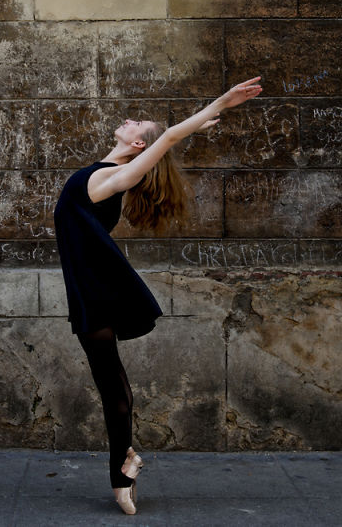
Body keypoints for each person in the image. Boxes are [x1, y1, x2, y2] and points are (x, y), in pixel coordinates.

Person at [53, 76, 263, 515]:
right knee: (112, 383)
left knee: (112, 386)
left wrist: (219, 102)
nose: (129, 121)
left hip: (96, 293)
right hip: (91, 290)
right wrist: (189, 129)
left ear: (136, 146)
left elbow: (166, 137)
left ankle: (122, 473)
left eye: (137, 125)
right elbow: (162, 141)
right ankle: (123, 467)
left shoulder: (110, 179)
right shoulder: (104, 172)